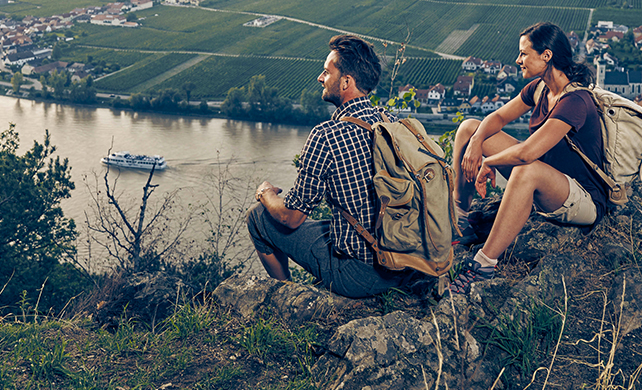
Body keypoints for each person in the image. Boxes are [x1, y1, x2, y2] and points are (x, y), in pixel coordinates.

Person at [448, 21, 608, 294]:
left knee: (527, 169)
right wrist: (476, 143)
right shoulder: (540, 89)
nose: (517, 59)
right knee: (469, 128)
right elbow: (497, 117)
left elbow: (527, 153)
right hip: (545, 177)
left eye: (523, 53)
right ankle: (460, 220)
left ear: (546, 56)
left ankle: (483, 265)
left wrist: (488, 162)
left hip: (582, 198)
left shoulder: (575, 102)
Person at [247, 34, 409, 298]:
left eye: (326, 72)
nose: (321, 78)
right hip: (405, 265)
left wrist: (266, 193)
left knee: (258, 217)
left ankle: (287, 298)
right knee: (332, 224)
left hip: (359, 276)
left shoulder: (326, 135)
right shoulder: (391, 121)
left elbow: (291, 218)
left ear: (346, 81)